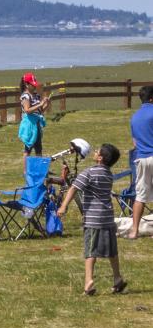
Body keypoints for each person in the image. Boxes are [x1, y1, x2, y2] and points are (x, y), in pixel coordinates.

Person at [58, 143, 127, 295]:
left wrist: (63, 206)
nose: (94, 152)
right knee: (112, 251)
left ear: (100, 158)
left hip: (93, 220)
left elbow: (73, 188)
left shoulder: (89, 172)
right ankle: (117, 278)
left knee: (90, 251)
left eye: (97, 151)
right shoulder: (108, 174)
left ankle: (88, 282)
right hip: (108, 218)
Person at [127, 85, 153, 239]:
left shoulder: (134, 117)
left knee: (140, 195)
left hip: (141, 158)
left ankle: (134, 230)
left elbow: (135, 143)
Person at [19, 72, 50, 157]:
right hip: (29, 125)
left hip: (37, 124)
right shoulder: (25, 96)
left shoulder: (36, 95)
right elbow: (27, 110)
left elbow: (40, 111)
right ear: (26, 84)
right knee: (28, 148)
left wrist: (46, 104)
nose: (34, 86)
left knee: (39, 148)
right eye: (32, 84)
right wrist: (40, 104)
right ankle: (26, 170)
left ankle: (38, 169)